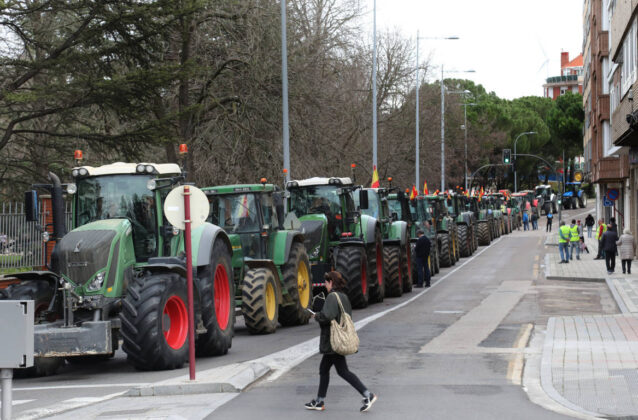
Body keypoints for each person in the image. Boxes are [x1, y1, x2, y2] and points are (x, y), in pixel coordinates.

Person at [305, 271, 377, 412]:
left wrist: (316, 316)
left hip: (333, 340)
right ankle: (319, 401)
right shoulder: (344, 297)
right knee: (325, 368)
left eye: (326, 282)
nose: (325, 285)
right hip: (338, 339)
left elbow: (327, 316)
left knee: (342, 371)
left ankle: (368, 394)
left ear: (331, 282)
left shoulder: (332, 296)